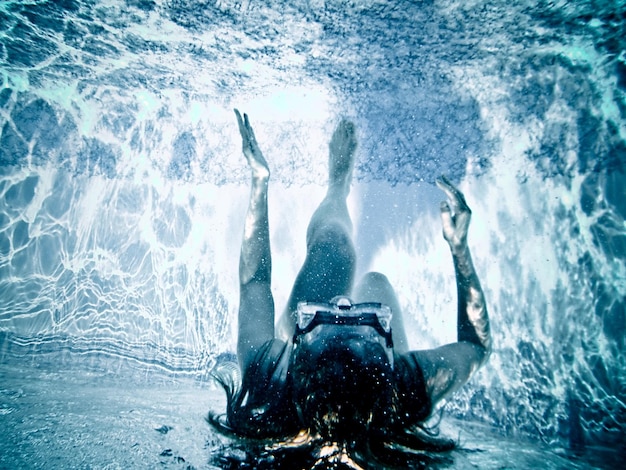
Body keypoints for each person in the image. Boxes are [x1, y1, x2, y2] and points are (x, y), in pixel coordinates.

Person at [210, 110, 491, 468]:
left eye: (326, 321)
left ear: (297, 359)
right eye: (363, 326)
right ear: (386, 366)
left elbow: (254, 283)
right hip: (362, 384)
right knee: (376, 284)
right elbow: (476, 346)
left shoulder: (273, 381)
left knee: (334, 251)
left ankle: (337, 185)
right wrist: (459, 250)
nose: (344, 302)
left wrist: (259, 181)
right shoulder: (404, 390)